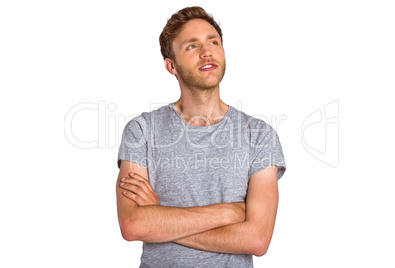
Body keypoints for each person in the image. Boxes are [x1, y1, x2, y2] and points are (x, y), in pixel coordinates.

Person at [116, 6, 286, 267]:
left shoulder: (259, 136)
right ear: (171, 65)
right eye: (192, 46)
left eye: (213, 42)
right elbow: (133, 224)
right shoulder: (142, 131)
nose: (207, 52)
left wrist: (162, 218)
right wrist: (230, 212)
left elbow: (257, 239)